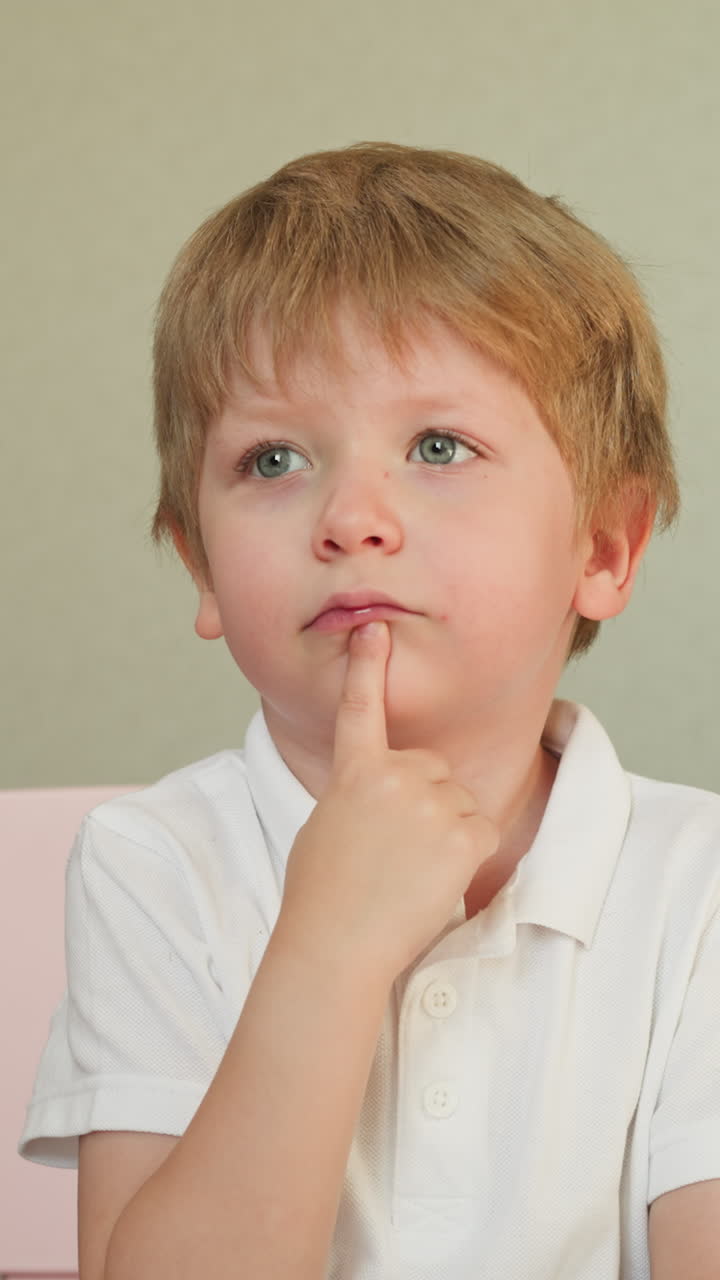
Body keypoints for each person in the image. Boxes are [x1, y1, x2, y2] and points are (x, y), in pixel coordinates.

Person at [18, 142, 720, 1280]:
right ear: (201, 565)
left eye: (439, 446)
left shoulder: (698, 885)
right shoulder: (151, 862)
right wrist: (329, 944)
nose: (352, 516)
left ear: (601, 547)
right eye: (274, 458)